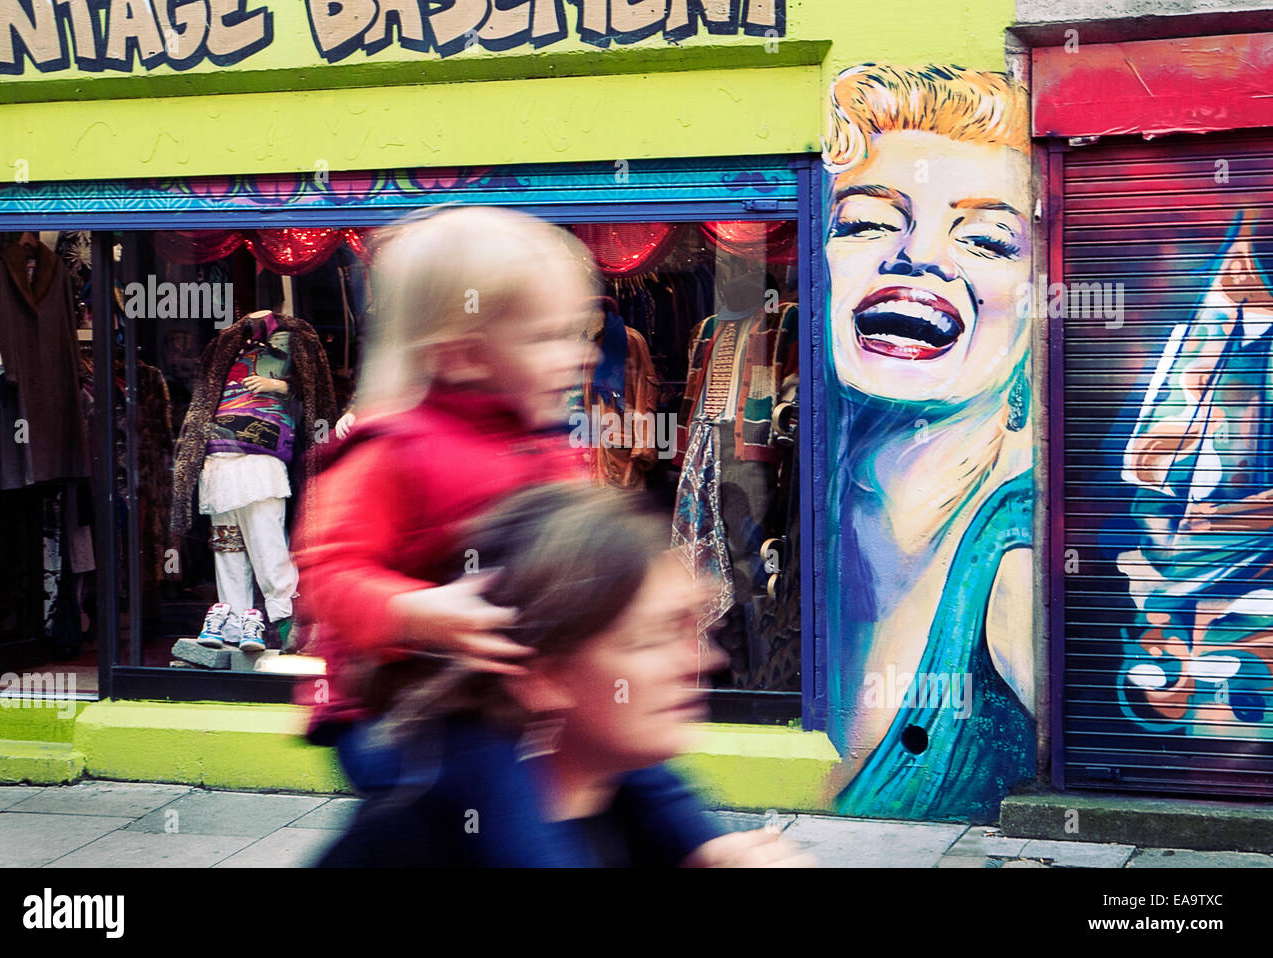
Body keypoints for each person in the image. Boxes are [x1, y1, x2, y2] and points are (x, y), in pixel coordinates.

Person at [293, 206, 790, 864]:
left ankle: (704, 847)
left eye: (578, 333)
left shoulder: (545, 446)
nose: (583, 355)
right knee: (499, 794)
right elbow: (327, 573)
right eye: (548, 338)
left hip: (501, 680)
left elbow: (581, 547)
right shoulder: (392, 449)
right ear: (464, 356)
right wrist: (414, 613)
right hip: (402, 702)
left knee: (639, 762)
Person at [317, 484, 812, 866]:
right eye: (649, 638)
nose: (700, 662)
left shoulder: (647, 821)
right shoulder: (417, 840)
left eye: (693, 628)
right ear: (542, 677)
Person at [821, 65, 1036, 819]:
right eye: (866, 223)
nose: (920, 257)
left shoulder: (1018, 566)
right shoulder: (816, 501)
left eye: (986, 239)